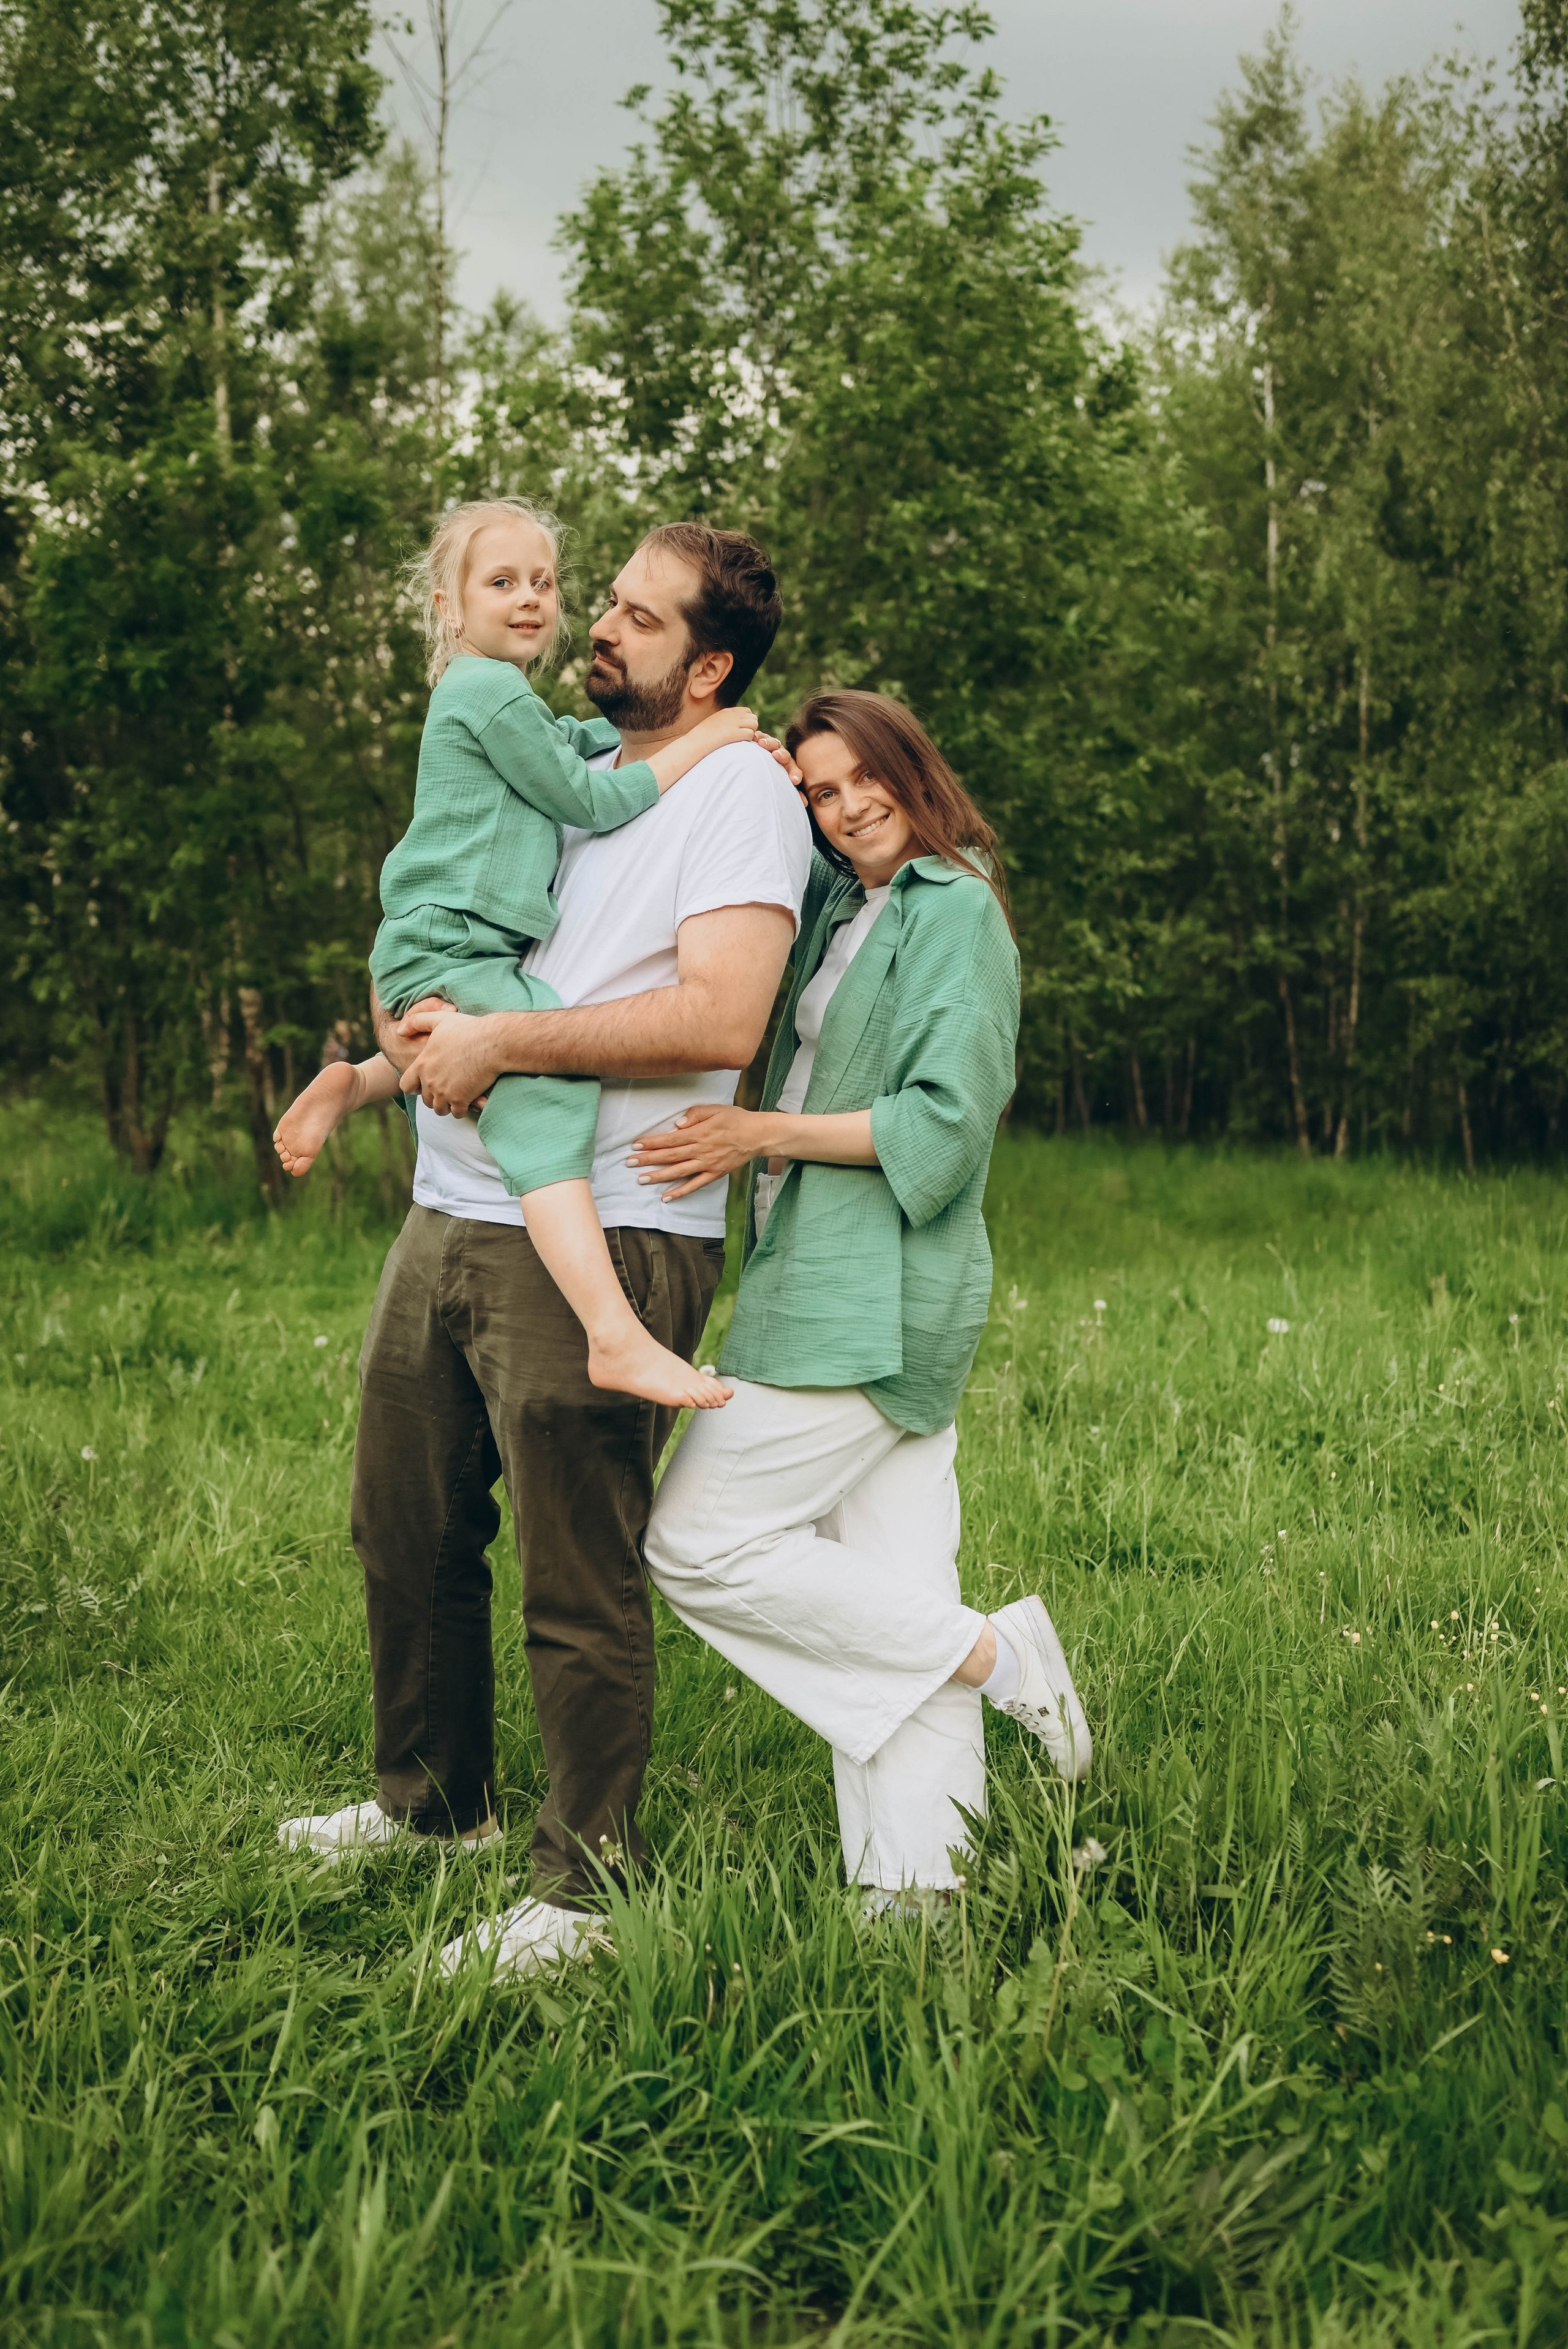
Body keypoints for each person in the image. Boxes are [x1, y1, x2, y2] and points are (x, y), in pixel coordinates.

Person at [277, 526, 813, 1979]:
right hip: (453, 1201)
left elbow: (718, 1021)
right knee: (408, 1523)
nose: (601, 626)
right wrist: (382, 1064)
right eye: (609, 600)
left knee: (577, 1570)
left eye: (641, 621)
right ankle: (429, 1805)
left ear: (708, 667)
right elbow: (488, 946)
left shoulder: (742, 798)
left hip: (613, 1215)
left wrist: (505, 1039)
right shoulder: (563, 755)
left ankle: (585, 1894)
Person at [636, 690, 1090, 1914]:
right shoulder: (849, 901)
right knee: (890, 1584)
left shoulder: (956, 913)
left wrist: (757, 1132)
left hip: (871, 1292)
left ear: (909, 766)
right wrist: (721, 747)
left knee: (691, 1542)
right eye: (820, 793)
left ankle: (996, 1652)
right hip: (825, 1274)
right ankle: (920, 1903)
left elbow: (943, 1130)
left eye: (860, 780)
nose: (845, 810)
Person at [274, 496, 757, 1412]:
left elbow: (579, 744)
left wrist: (659, 738)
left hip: (446, 945)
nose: (532, 599)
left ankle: (363, 1080)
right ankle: (614, 1335)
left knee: (479, 1049)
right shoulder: (488, 691)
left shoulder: (500, 699)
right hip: (452, 943)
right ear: (449, 608)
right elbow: (595, 798)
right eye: (502, 582)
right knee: (543, 1087)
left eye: (544, 582)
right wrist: (711, 736)